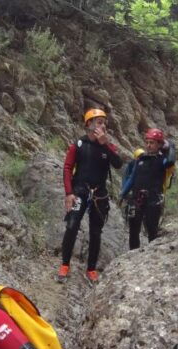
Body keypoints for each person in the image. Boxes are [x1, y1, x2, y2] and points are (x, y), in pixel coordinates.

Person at [59, 108, 122, 283]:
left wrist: (105, 144)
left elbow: (118, 164)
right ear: (89, 124)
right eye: (99, 122)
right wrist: (69, 193)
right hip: (80, 190)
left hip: (99, 193)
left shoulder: (108, 146)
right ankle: (65, 265)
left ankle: (91, 269)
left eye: (104, 122)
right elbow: (67, 168)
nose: (103, 125)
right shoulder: (79, 144)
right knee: (72, 226)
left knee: (96, 232)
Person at [119, 128, 176, 250]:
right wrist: (122, 194)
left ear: (159, 145)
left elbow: (170, 161)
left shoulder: (162, 161)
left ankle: (151, 254)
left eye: (152, 143)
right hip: (136, 199)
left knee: (152, 230)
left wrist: (171, 146)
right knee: (134, 231)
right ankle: (132, 257)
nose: (148, 145)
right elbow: (132, 178)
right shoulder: (140, 159)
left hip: (153, 200)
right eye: (147, 142)